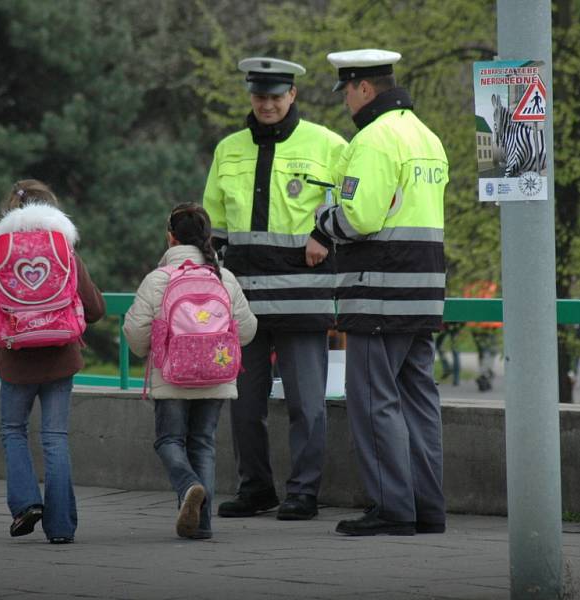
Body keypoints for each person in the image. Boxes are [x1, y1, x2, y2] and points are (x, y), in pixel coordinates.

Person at [310, 49, 449, 536]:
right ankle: (427, 507)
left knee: (372, 400)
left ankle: (392, 508)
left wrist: (323, 219)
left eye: (346, 90)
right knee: (418, 402)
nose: (345, 101)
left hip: (379, 293)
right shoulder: (425, 136)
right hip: (424, 290)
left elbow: (361, 217)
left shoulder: (373, 139)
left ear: (363, 88)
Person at [203, 56, 347, 521]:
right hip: (242, 301)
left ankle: (304, 493)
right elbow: (215, 226)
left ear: (293, 95)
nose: (267, 104)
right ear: (251, 96)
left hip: (303, 297)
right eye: (260, 96)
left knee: (308, 404)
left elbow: (359, 203)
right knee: (244, 405)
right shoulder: (228, 149)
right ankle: (256, 489)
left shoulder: (329, 145)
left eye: (275, 96)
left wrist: (326, 234)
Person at [0, 179, 106, 544]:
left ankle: (26, 503)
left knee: (14, 431)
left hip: (16, 362)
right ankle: (61, 527)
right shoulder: (65, 253)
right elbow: (95, 309)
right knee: (55, 438)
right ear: (54, 210)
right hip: (61, 359)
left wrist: (13, 335)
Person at [123, 203, 257, 539]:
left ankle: (188, 486)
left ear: (170, 237)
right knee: (203, 443)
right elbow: (247, 329)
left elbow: (136, 331)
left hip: (172, 376)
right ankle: (203, 524)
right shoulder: (223, 277)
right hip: (217, 376)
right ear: (207, 236)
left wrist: (148, 353)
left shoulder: (159, 279)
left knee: (169, 439)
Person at [462, 280, 502, 392]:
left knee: (482, 351)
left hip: (475, 325)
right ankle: (485, 374)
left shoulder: (470, 286)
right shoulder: (491, 285)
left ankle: (484, 373)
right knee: (490, 351)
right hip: (489, 325)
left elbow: (466, 305)